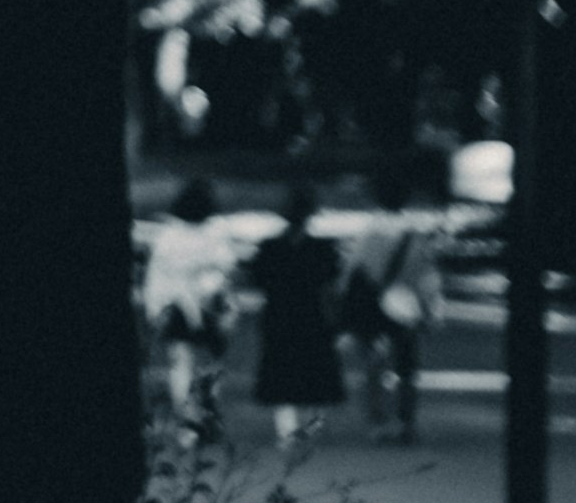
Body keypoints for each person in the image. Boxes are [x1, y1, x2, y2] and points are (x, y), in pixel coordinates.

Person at [342, 162, 445, 443]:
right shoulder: (415, 236)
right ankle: (406, 420)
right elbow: (427, 277)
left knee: (375, 365)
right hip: (407, 306)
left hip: (374, 305)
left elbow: (352, 274)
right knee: (407, 367)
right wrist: (432, 308)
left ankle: (377, 421)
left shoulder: (369, 233)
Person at [247, 177, 348, 457]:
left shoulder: (269, 247)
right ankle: (310, 427)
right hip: (312, 316)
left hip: (278, 315)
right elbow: (332, 285)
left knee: (281, 375)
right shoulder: (324, 249)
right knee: (314, 373)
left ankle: (287, 431)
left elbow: (257, 280)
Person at [141, 172, 238, 412]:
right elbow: (227, 267)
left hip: (175, 306)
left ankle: (186, 414)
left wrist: (154, 311)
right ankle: (207, 409)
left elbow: (155, 279)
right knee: (212, 360)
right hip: (209, 305)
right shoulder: (217, 232)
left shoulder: (167, 236)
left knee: (180, 362)